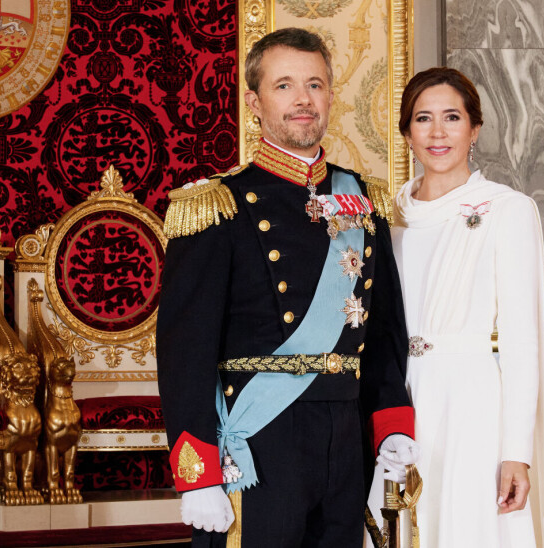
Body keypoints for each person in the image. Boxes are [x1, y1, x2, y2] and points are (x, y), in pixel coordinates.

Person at [156, 27, 419, 548]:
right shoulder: (217, 205)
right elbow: (185, 350)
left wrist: (391, 425)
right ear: (253, 101)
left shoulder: (363, 200)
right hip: (259, 439)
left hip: (345, 436)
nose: (303, 100)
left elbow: (384, 329)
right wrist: (198, 470)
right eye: (284, 85)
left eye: (315, 85)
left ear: (330, 96)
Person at [366, 67, 544, 547]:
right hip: (396, 401)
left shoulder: (507, 209)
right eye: (423, 118)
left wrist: (516, 452)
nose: (438, 133)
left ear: (474, 129)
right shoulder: (383, 216)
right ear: (406, 132)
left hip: (471, 405)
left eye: (452, 117)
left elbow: (522, 342)